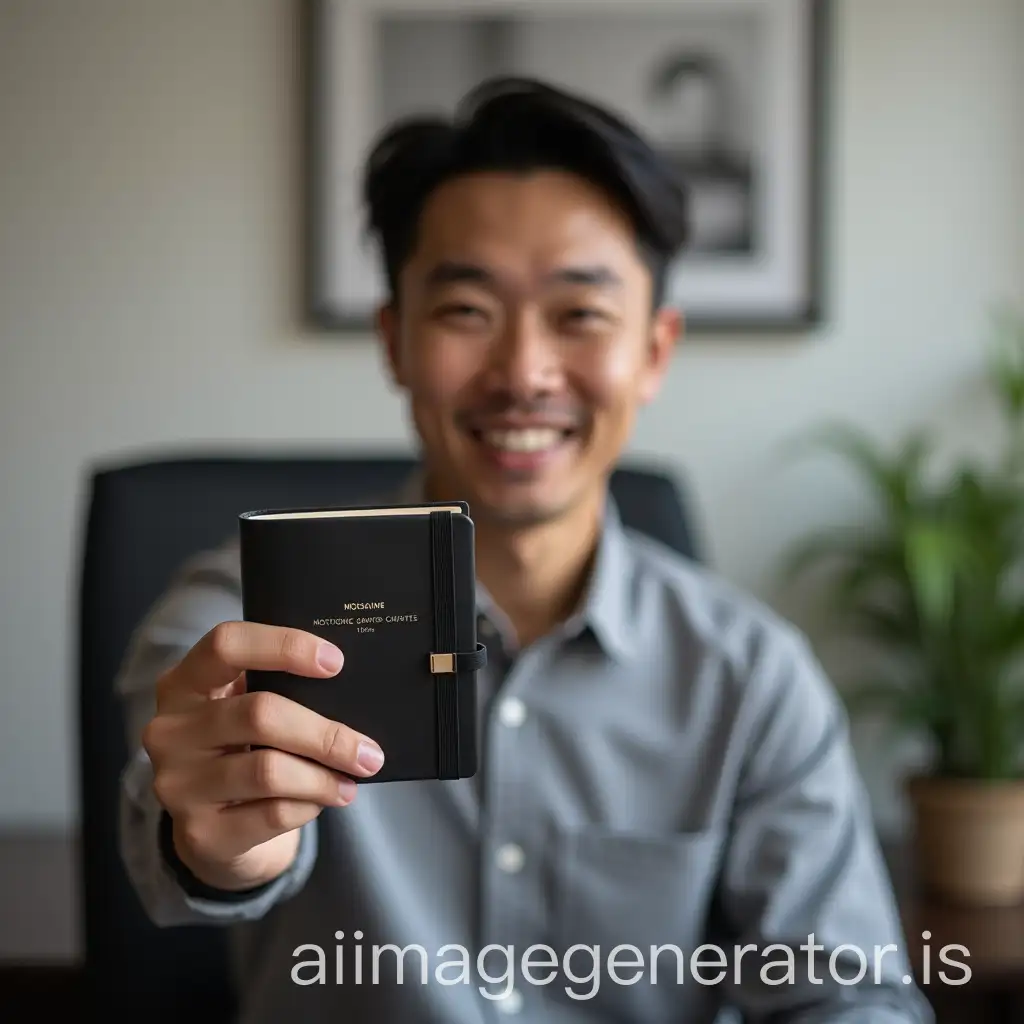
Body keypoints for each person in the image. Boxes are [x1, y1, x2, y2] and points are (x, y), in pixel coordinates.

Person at [118, 76, 933, 1023]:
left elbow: (847, 995)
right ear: (395, 342)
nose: (523, 373)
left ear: (655, 351)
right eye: (467, 311)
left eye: (580, 314)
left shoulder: (750, 677)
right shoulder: (240, 615)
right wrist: (221, 844)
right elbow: (178, 818)